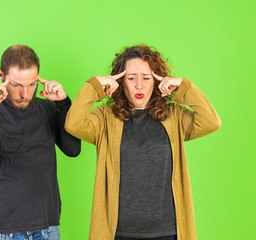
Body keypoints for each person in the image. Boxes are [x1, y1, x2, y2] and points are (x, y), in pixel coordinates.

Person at [65, 45, 221, 240]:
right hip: (119, 232)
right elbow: (74, 125)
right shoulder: (105, 117)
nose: (139, 85)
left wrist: (184, 86)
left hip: (167, 231)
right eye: (131, 78)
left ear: (157, 81)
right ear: (120, 82)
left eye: (146, 78)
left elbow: (211, 122)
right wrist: (94, 86)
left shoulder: (174, 116)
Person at [0, 45, 80, 240]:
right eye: (17, 85)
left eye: (31, 85)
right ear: (1, 76)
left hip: (47, 229)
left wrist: (63, 103)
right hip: (3, 232)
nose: (25, 94)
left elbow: (73, 149)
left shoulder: (48, 109)